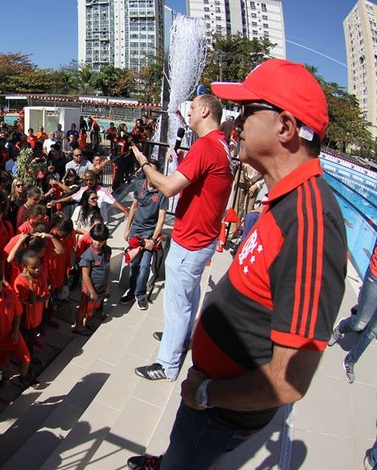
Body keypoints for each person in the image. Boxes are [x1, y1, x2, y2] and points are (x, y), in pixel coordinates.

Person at [127, 59, 347, 469]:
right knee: (182, 451)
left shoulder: (309, 221)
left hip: (219, 408)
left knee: (189, 458)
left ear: (284, 126)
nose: (236, 122)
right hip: (209, 395)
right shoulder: (284, 201)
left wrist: (208, 393)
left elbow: (289, 379)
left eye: (247, 111)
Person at [131, 93, 234, 382]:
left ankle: (168, 364)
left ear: (204, 111)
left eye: (191, 109)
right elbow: (226, 129)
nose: (187, 114)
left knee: (177, 303)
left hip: (191, 240)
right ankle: (182, 337)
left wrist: (143, 164)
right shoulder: (221, 144)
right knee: (189, 295)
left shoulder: (205, 147)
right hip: (204, 239)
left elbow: (167, 188)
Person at [0, 265, 37, 388]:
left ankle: (24, 377)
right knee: (1, 363)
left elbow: (17, 315)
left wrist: (16, 332)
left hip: (12, 335)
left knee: (26, 357)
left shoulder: (11, 295)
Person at [327, 239, 377, 384]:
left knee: (373, 330)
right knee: (360, 323)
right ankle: (340, 329)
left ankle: (350, 360)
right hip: (375, 277)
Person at [120, 164, 168, 310]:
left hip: (150, 234)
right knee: (133, 264)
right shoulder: (139, 185)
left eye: (153, 170)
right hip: (136, 231)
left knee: (145, 265)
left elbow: (161, 218)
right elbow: (134, 207)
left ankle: (140, 295)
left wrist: (153, 240)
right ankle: (132, 291)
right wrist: (127, 228)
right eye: (148, 170)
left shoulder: (162, 192)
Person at [77, 223, 111, 335]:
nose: (97, 243)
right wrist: (92, 291)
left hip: (101, 287)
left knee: (93, 307)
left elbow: (107, 269)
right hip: (89, 289)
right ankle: (78, 326)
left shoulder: (107, 251)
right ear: (91, 238)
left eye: (101, 241)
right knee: (83, 308)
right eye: (95, 240)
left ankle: (87, 322)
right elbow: (85, 275)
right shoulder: (87, 256)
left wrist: (108, 286)